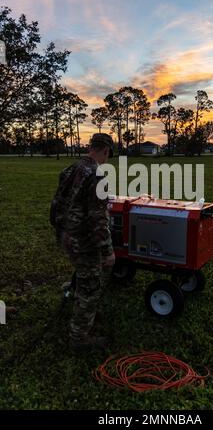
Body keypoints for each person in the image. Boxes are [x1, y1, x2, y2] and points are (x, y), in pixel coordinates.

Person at [52, 133, 115, 352]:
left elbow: (57, 204)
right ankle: (78, 338)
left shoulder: (71, 169)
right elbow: (98, 219)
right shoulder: (98, 175)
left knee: (83, 275)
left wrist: (61, 232)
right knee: (91, 286)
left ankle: (85, 312)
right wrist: (107, 251)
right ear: (105, 151)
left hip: (67, 236)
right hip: (83, 240)